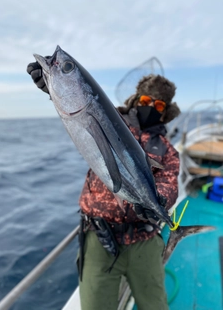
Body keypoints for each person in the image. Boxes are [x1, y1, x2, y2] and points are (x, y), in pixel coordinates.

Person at [27, 62, 181, 310]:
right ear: (135, 100)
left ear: (165, 112)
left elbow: (169, 182)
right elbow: (85, 110)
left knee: (156, 306)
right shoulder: (110, 117)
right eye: (145, 99)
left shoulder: (167, 150)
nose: (150, 107)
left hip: (145, 239)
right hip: (99, 238)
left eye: (159, 104)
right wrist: (56, 90)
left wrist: (159, 200)